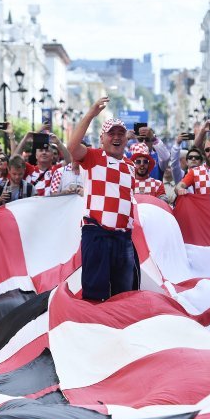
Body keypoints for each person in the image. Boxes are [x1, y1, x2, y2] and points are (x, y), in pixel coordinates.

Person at [66, 97, 139, 302]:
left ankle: (118, 331)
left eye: (120, 134)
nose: (116, 137)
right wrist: (90, 114)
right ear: (102, 139)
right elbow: (71, 147)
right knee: (94, 295)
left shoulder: (130, 166)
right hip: (97, 234)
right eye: (111, 133)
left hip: (123, 238)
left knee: (124, 296)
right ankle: (92, 330)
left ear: (126, 139)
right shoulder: (94, 157)